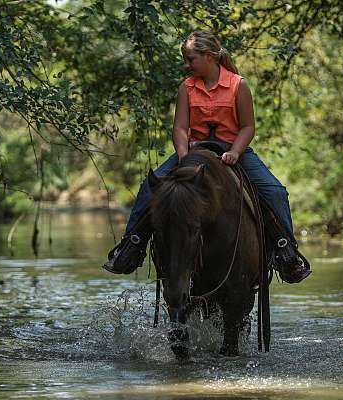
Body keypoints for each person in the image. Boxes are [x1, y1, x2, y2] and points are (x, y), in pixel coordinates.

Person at [103, 30, 310, 283]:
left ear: (210, 56)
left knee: (275, 191)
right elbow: (180, 128)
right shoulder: (187, 88)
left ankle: (286, 251)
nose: (186, 64)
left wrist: (235, 151)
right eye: (185, 59)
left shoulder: (238, 85)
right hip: (194, 151)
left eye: (190, 59)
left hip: (233, 150)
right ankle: (131, 246)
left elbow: (248, 127)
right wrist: (183, 156)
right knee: (151, 184)